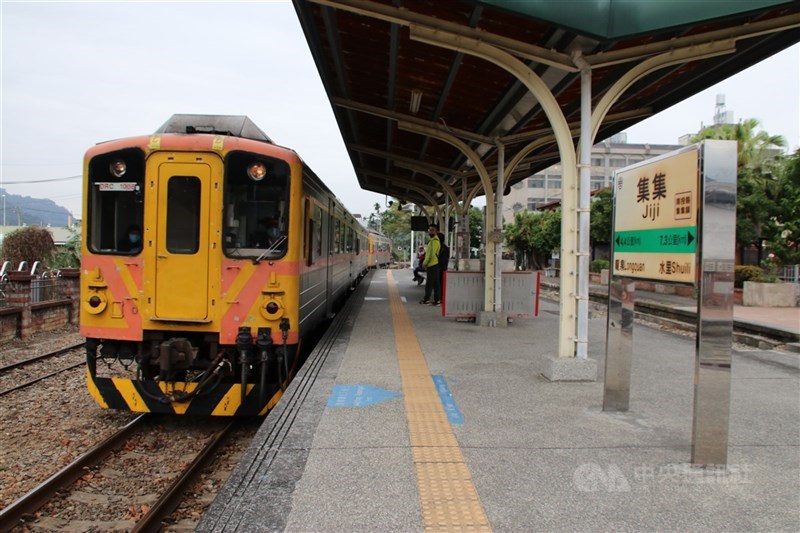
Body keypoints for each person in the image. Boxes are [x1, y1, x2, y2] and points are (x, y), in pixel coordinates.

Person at [419, 224, 441, 305]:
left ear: (436, 232)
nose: (430, 232)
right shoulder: (432, 241)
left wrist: (425, 263)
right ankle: (437, 300)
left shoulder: (434, 241)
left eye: (432, 230)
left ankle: (426, 299)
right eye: (430, 230)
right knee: (435, 284)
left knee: (429, 283)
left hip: (432, 265)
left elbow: (431, 254)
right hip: (434, 265)